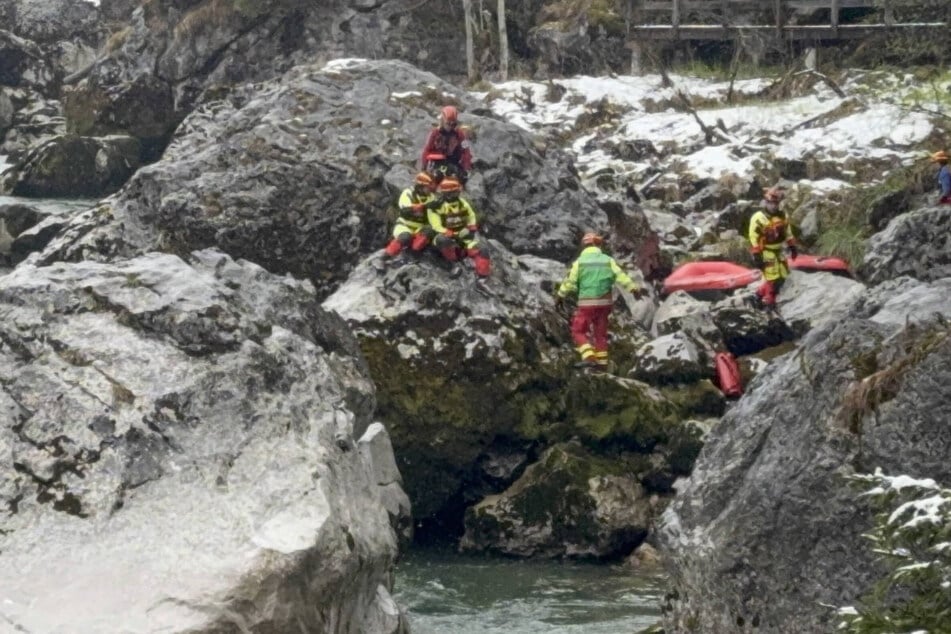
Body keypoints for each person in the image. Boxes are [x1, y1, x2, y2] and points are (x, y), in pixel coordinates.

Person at [555, 233, 643, 370]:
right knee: (600, 333)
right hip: (605, 303)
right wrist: (633, 289)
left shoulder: (580, 263)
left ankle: (589, 357)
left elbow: (570, 282)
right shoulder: (608, 260)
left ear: (584, 246)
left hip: (587, 303)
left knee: (578, 330)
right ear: (598, 245)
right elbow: (620, 276)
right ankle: (602, 364)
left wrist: (560, 295)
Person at [427, 177, 490, 278]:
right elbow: (436, 225)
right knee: (442, 240)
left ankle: (482, 277)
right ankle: (452, 265)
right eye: (455, 192)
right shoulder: (436, 207)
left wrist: (472, 226)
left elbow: (471, 215)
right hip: (445, 237)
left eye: (457, 191)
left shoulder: (462, 203)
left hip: (462, 236)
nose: (458, 193)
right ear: (448, 193)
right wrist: (446, 231)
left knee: (482, 249)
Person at [748, 186, 798, 308]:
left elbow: (788, 232)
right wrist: (756, 254)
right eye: (771, 203)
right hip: (766, 251)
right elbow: (753, 236)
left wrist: (792, 246)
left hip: (779, 250)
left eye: (775, 203)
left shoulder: (783, 216)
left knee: (783, 276)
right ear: (766, 202)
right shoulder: (758, 217)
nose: (773, 206)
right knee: (772, 278)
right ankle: (769, 302)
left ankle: (758, 295)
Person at [384, 171, 440, 259]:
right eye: (428, 188)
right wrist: (421, 207)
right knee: (405, 237)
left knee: (429, 231)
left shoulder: (431, 197)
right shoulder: (408, 193)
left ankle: (412, 252)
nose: (430, 190)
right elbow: (405, 210)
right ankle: (385, 256)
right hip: (404, 226)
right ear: (421, 186)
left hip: (419, 227)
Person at [420, 105, 472, 185]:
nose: (450, 127)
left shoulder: (460, 134)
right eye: (448, 124)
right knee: (437, 176)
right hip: (437, 163)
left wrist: (466, 168)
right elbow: (427, 150)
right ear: (442, 121)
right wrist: (423, 168)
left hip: (453, 162)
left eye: (453, 124)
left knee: (461, 177)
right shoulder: (434, 133)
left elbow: (466, 152)